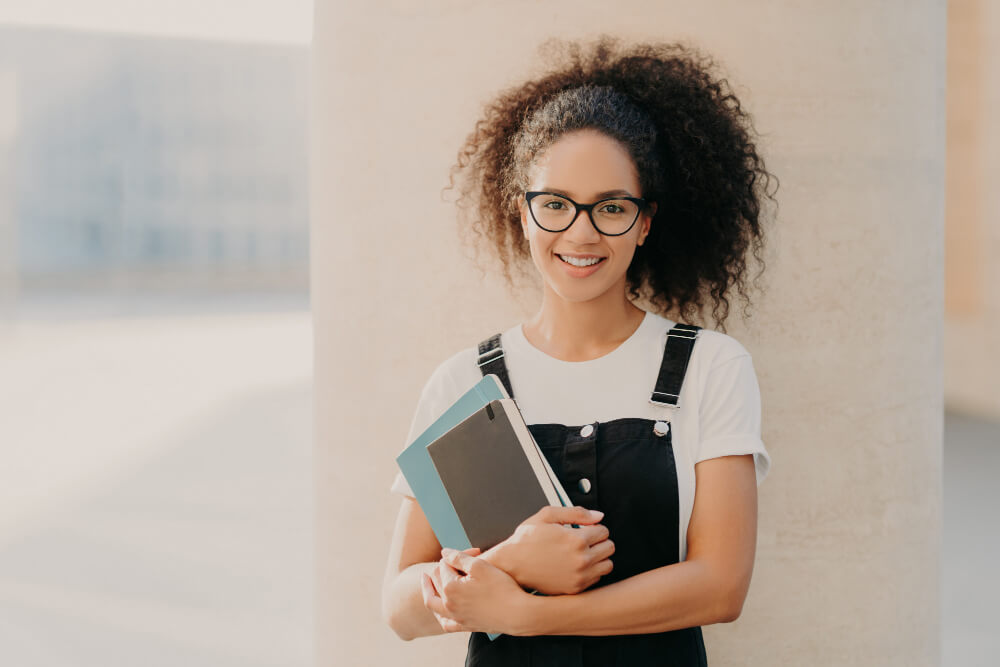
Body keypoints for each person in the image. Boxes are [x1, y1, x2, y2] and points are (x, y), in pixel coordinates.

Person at [381, 35, 777, 666]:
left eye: (611, 208)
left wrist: (529, 614)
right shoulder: (463, 382)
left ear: (645, 222)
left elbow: (721, 586)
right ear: (522, 212)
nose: (581, 233)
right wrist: (508, 562)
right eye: (556, 205)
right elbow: (400, 608)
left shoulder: (710, 367)